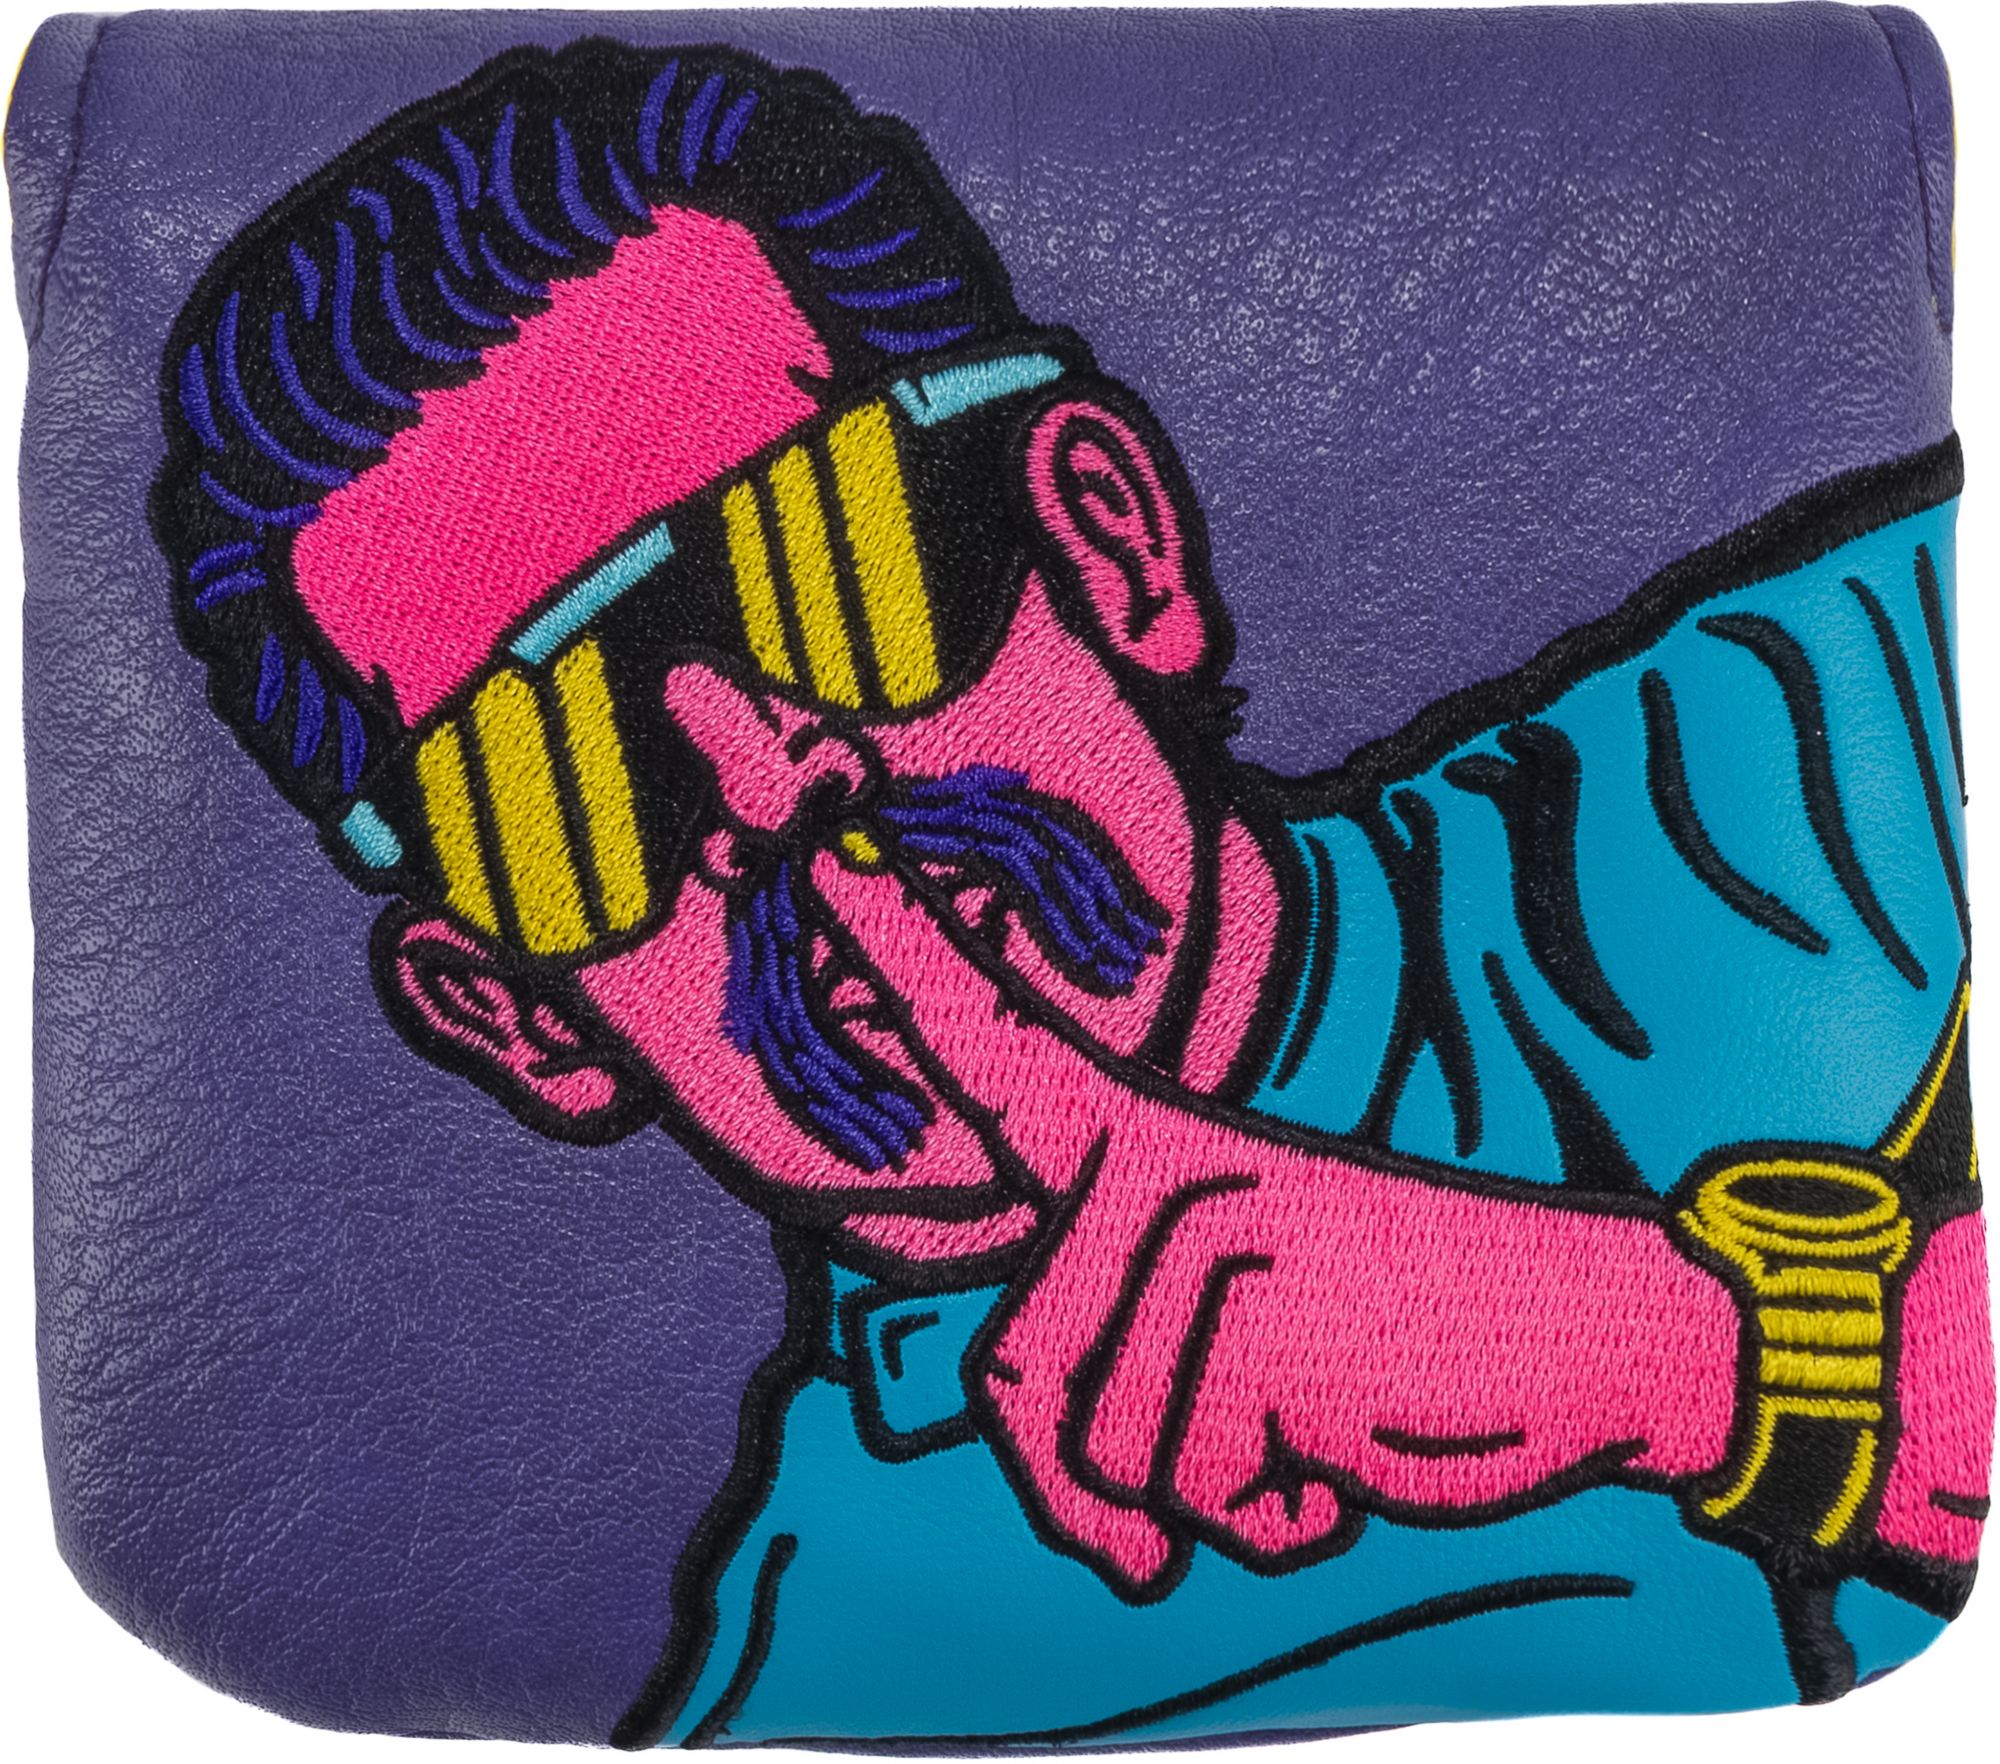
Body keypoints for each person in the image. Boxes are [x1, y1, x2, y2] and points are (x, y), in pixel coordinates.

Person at [153, 41, 1991, 1749]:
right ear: (514, 1013)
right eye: (565, 785)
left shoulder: (1795, 756)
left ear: (1112, 537)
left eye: (842, 566)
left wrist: (1668, 1349)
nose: (777, 786)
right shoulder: (775, 1644)